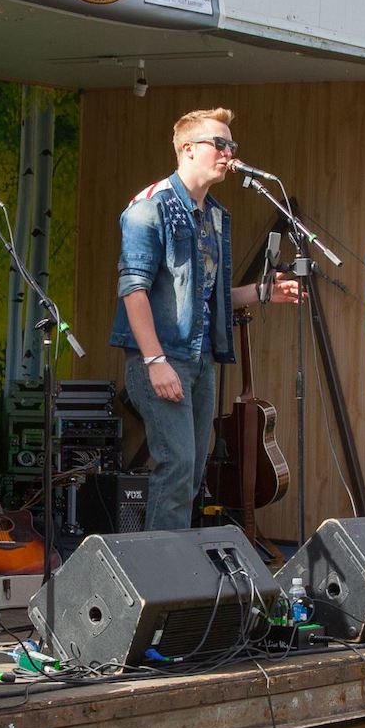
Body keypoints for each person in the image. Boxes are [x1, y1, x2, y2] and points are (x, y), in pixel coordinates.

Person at [110, 108, 302, 531]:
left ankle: (174, 574)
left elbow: (206, 298)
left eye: (232, 145)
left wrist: (264, 292)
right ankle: (162, 580)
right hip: (163, 357)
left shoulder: (214, 215)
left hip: (199, 360)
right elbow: (133, 289)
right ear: (187, 148)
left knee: (193, 472)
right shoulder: (150, 208)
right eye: (220, 144)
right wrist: (155, 361)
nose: (230, 154)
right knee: (177, 466)